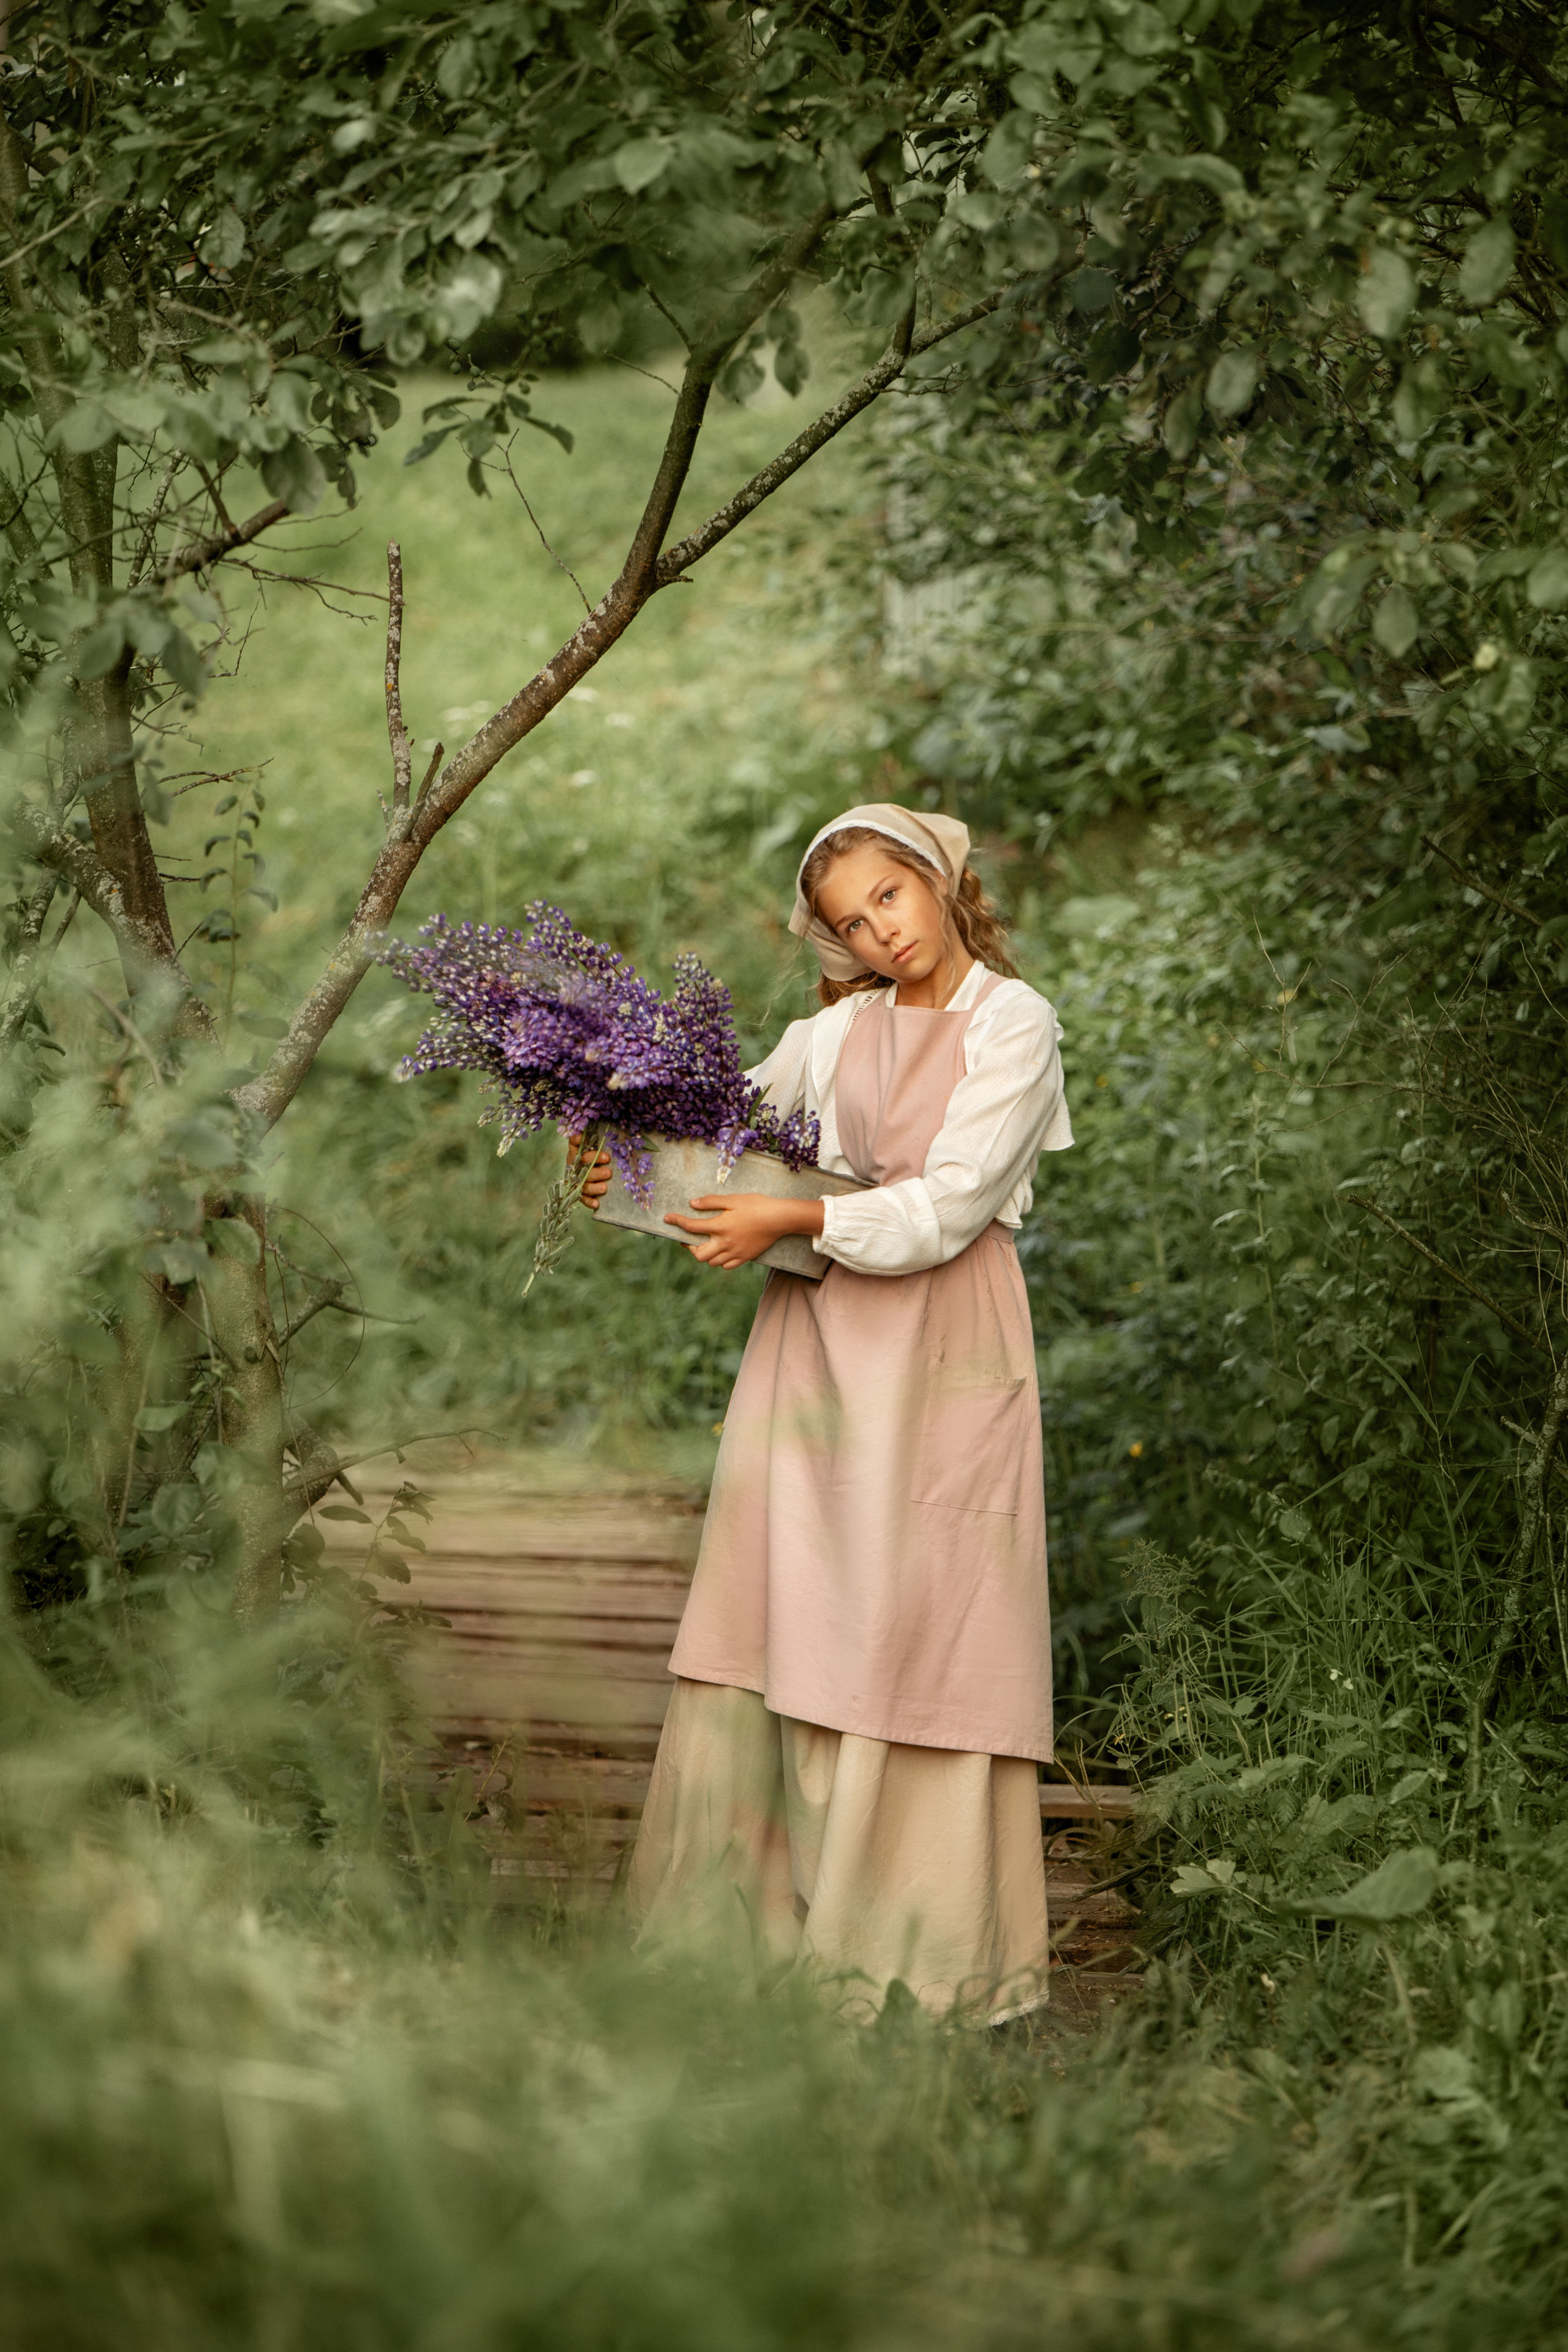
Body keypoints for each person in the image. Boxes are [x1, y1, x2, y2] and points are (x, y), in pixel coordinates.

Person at [578, 804, 1073, 2021]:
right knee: (787, 1600)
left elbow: (945, 1210)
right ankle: (750, 1931)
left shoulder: (1013, 1025)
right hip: (814, 1344)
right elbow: (729, 1129)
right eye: (853, 920)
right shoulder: (833, 1030)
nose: (880, 933)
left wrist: (790, 1219)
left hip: (942, 1345)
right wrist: (623, 1153)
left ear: (941, 877)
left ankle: (918, 1951)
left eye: (891, 898)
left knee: (920, 1615)